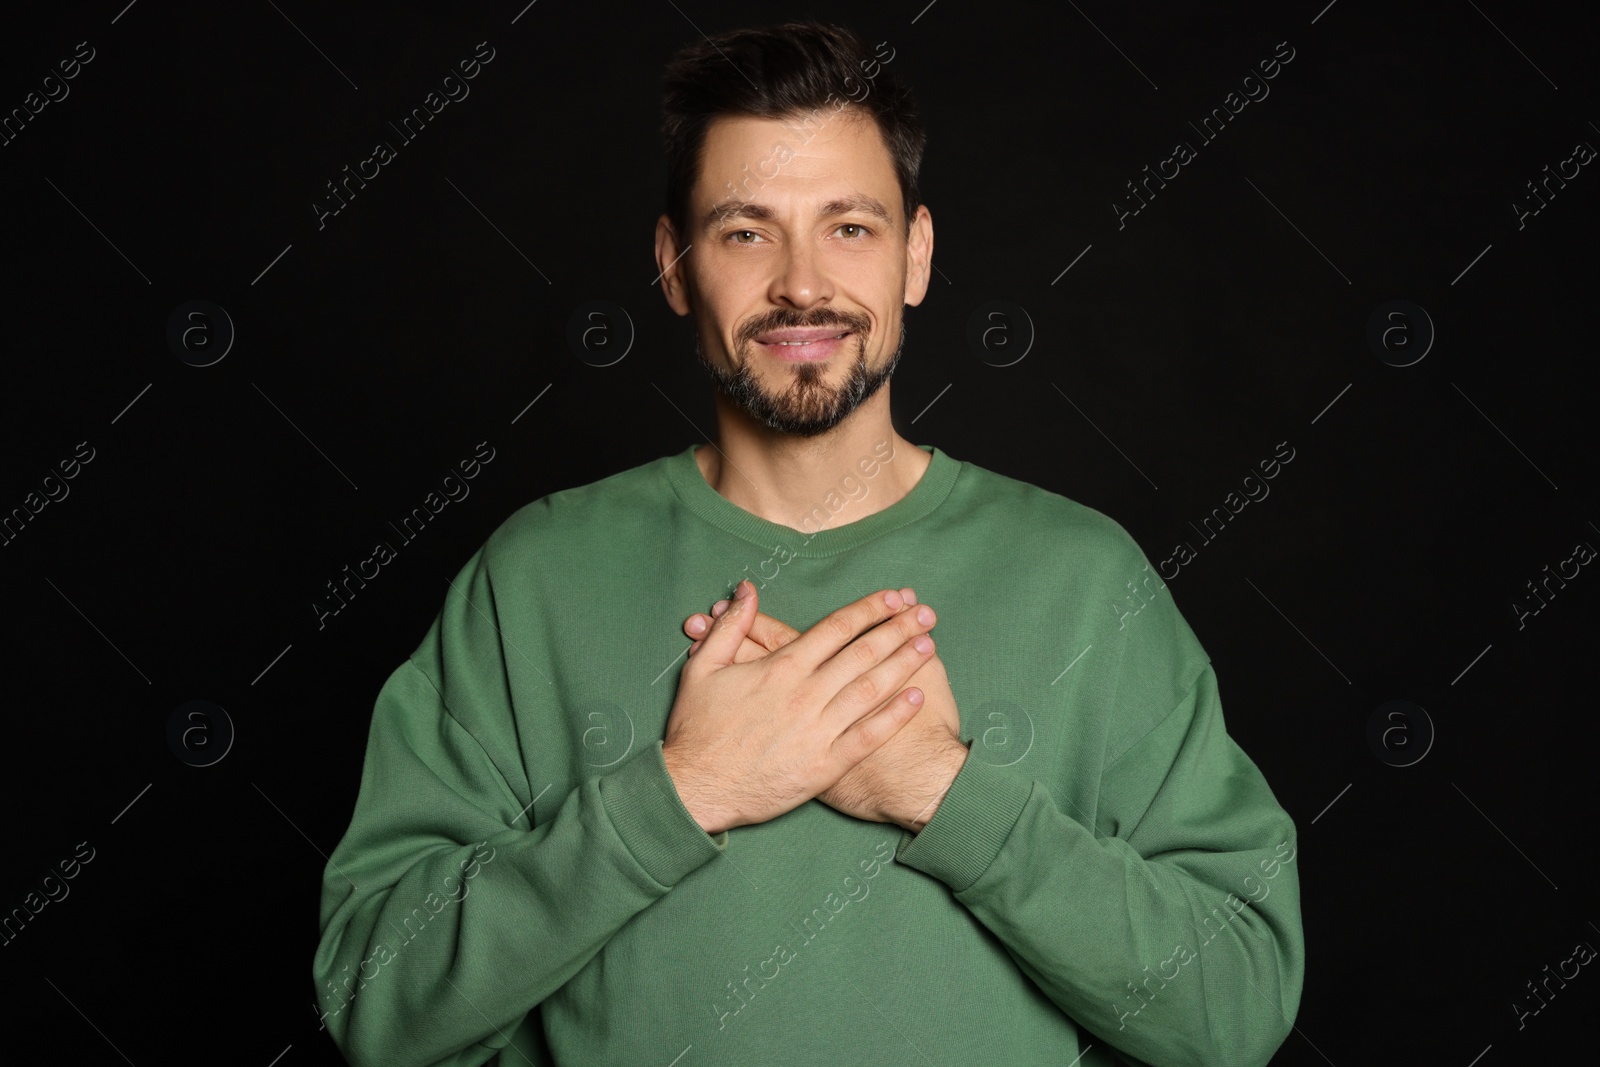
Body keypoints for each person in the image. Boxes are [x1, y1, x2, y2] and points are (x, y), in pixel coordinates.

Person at [312, 20, 1304, 1067]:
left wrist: (945, 794)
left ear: (914, 255)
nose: (799, 284)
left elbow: (1231, 1007)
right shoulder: (534, 578)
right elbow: (379, 1003)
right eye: (745, 231)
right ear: (673, 265)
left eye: (849, 228)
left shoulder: (1084, 578)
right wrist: (688, 787)